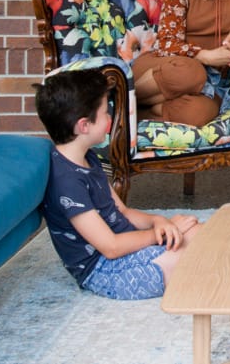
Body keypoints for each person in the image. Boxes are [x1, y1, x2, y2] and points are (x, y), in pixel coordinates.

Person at [34, 67, 201, 300]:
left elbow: (121, 210)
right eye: (104, 112)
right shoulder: (66, 183)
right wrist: (157, 235)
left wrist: (159, 221)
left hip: (127, 247)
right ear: (84, 126)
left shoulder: (87, 156)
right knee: (193, 259)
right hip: (106, 270)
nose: (110, 118)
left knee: (196, 233)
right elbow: (110, 247)